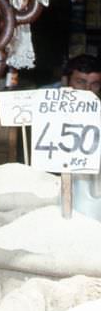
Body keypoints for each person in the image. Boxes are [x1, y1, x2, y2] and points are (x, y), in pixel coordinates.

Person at [63, 54, 101, 221]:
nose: (87, 91)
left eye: (95, 85)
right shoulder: (46, 103)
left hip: (88, 189)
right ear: (66, 81)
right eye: (80, 82)